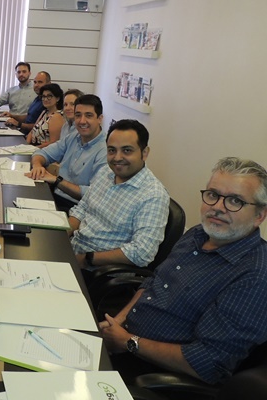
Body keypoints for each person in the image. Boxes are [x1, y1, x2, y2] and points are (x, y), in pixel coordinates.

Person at [101, 157, 267, 385]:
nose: (218, 207)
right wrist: (119, 321)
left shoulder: (255, 276)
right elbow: (153, 282)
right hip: (123, 338)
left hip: (151, 376)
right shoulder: (198, 233)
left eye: (235, 201)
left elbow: (208, 363)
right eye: (213, 195)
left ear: (260, 215)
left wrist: (128, 342)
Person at [69, 119, 169, 270]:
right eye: (112, 150)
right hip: (73, 248)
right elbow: (82, 208)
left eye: (127, 150)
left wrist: (87, 259)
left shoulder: (153, 195)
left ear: (144, 153)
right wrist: (63, 233)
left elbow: (142, 252)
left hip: (97, 270)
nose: (117, 158)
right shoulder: (105, 172)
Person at [27, 94, 107, 213]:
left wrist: (57, 181)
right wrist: (37, 166)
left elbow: (92, 194)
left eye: (88, 115)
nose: (82, 121)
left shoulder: (105, 150)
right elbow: (42, 153)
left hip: (78, 209)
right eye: (78, 115)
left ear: (100, 119)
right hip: (55, 197)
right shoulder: (73, 137)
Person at [26, 83, 65, 147]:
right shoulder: (44, 112)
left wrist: (33, 149)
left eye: (49, 96)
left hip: (44, 151)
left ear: (57, 98)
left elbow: (53, 143)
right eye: (43, 96)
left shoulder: (57, 116)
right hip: (32, 148)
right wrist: (25, 145)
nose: (45, 99)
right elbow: (32, 131)